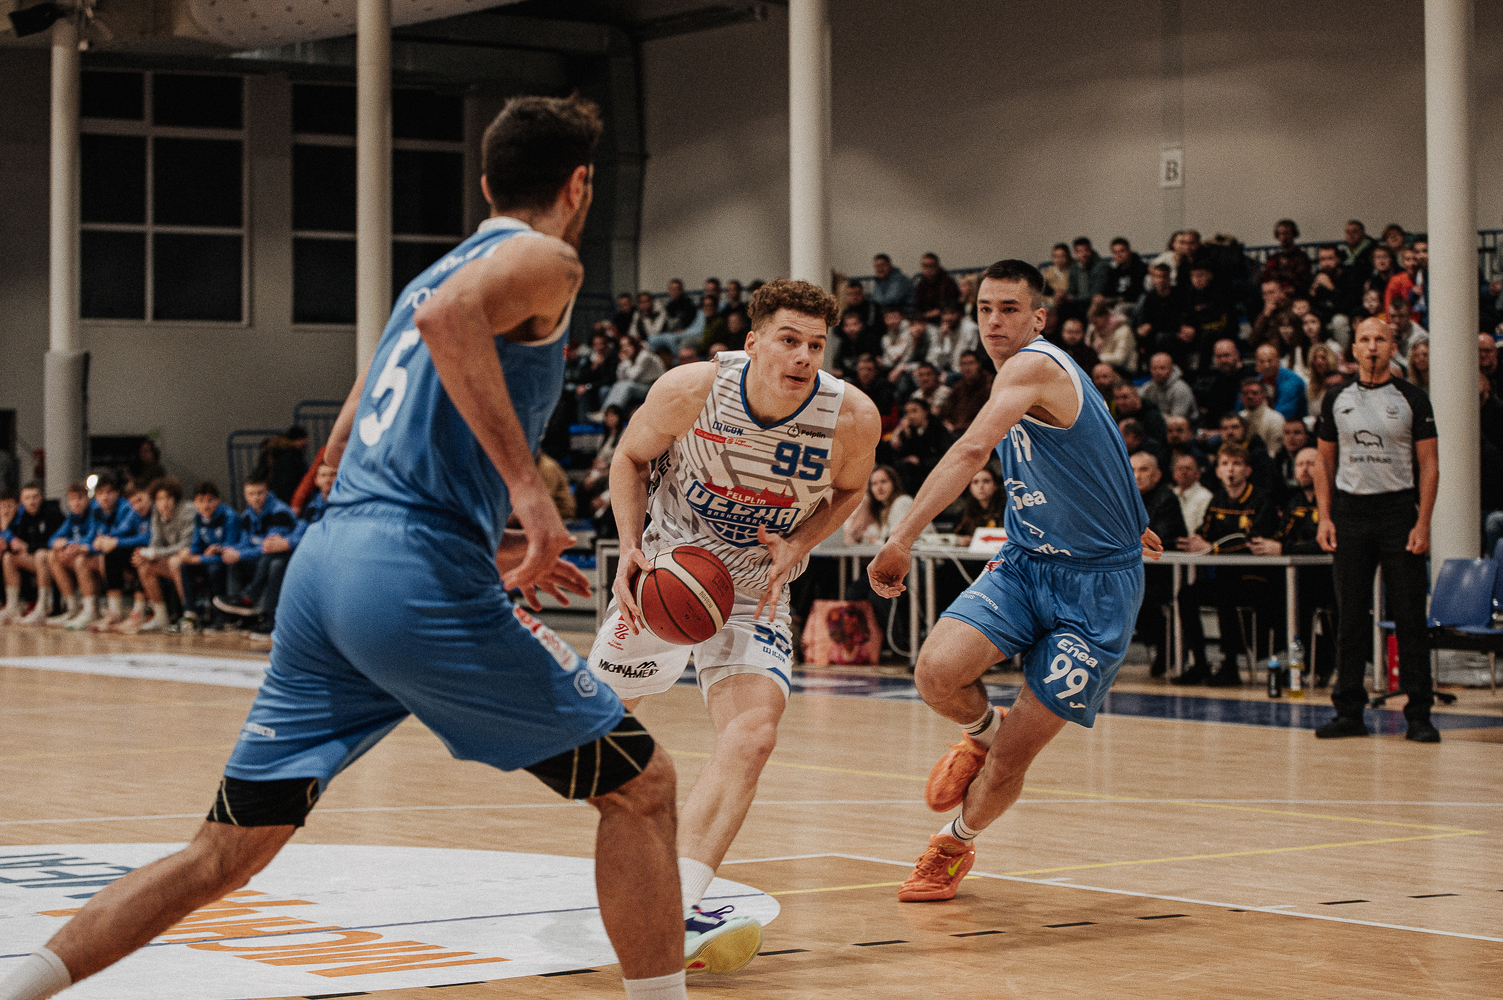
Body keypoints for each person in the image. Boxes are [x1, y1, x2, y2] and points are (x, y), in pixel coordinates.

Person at [0, 96, 700, 1000]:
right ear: (579, 185)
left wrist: (444, 534)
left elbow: (353, 422)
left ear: (485, 182)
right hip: (403, 571)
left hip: (331, 566)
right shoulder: (544, 258)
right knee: (642, 787)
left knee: (224, 851)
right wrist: (528, 497)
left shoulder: (425, 275)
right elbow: (451, 323)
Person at [586, 278, 881, 971]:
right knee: (593, 737)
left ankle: (675, 908)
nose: (802, 356)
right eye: (788, 339)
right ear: (752, 343)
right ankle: (633, 860)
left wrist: (799, 542)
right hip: (668, 572)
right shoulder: (690, 389)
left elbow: (848, 490)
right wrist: (629, 546)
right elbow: (630, 458)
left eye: (815, 345)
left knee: (753, 736)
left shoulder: (850, 417)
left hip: (753, 587)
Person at [863, 259, 1159, 902]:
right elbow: (1100, 442)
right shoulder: (1021, 377)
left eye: (1009, 309)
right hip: (1027, 563)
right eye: (984, 309)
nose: (994, 321)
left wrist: (901, 537)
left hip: (1097, 592)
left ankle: (953, 844)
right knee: (936, 673)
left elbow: (971, 452)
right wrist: (1132, 518)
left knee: (1013, 759)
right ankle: (981, 733)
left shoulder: (1033, 366)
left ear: (1038, 318)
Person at [1314, 317, 1439, 743]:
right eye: (1364, 340)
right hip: (1349, 511)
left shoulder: (1412, 398)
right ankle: (1349, 711)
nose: (1372, 347)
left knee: (1409, 615)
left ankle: (1419, 714)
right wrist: (1325, 516)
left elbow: (1429, 464)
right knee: (1350, 614)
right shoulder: (1336, 397)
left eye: (1380, 340)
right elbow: (1323, 462)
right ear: (1353, 348)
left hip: (1397, 511)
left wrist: (1423, 522)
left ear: (1391, 347)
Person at [1172, 443, 1280, 686]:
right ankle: (1199, 663)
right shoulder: (1217, 499)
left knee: (1225, 594)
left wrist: (1212, 548)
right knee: (1186, 594)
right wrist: (1194, 541)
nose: (1230, 469)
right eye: (1225, 464)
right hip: (1225, 576)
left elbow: (1253, 542)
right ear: (1218, 471)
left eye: (1236, 464)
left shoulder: (1261, 500)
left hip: (1257, 579)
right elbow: (1205, 532)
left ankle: (1230, 665)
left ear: (1248, 470)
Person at [1249, 446, 1337, 684]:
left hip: (1331, 578)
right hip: (1298, 578)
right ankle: (1293, 661)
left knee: (1301, 600)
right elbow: (1281, 536)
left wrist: (1284, 549)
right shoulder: (1293, 501)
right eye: (1299, 464)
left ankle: (1317, 661)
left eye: (1311, 464)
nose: (1304, 469)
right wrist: (1266, 543)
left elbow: (1327, 543)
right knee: (1267, 594)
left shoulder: (1335, 500)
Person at [211, 474, 298, 635]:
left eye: (260, 493)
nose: (256, 497)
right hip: (261, 558)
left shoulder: (280, 512)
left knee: (274, 564)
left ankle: (264, 613)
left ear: (267, 492)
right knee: (234, 562)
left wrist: (240, 554)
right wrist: (226, 549)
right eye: (251, 494)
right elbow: (245, 544)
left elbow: (269, 547)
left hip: (285, 558)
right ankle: (237, 613)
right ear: (245, 495)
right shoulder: (247, 515)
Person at [1132, 451, 1187, 677]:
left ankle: (1168, 648)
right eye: (1132, 470)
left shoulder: (1166, 499)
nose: (1137, 475)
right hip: (1139, 570)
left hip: (1166, 572)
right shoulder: (1125, 498)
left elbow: (1158, 539)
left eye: (1143, 470)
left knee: (1139, 595)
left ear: (1157, 475)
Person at [123, 476, 195, 633]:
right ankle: (160, 617)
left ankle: (190, 615)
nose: (164, 503)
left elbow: (186, 545)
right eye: (160, 499)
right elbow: (155, 542)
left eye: (168, 498)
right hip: (171, 560)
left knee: (176, 562)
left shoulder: (187, 510)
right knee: (144, 564)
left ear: (175, 497)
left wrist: (155, 553)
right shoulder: (156, 513)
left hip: (193, 561)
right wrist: (146, 554)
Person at [172, 481, 239, 631]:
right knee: (185, 566)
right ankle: (190, 613)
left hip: (228, 562)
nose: (205, 505)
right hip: (209, 560)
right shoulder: (198, 517)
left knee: (215, 569)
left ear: (217, 500)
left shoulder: (229, 517)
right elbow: (197, 545)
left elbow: (230, 551)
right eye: (201, 501)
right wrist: (188, 552)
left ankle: (222, 615)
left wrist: (200, 558)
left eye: (210, 500)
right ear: (195, 503)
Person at [1, 481, 62, 625]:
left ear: (42, 497)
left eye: (35, 497)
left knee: (40, 555)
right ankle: (12, 606)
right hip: (37, 560)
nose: (32, 501)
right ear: (22, 501)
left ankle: (42, 607)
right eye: (27, 498)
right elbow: (17, 544)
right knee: (9, 557)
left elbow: (53, 542)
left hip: (55, 560)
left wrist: (28, 547)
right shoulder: (24, 517)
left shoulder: (52, 513)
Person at [844, 464, 915, 544]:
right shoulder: (882, 510)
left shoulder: (902, 502)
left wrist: (875, 541)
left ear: (894, 483)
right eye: (874, 484)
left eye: (883, 481)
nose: (879, 488)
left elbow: (897, 542)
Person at [1259, 219, 1312, 293]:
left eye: (1287, 233)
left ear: (1293, 235)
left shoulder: (1301, 257)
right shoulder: (1274, 258)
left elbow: (1302, 282)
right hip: (1273, 292)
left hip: (1293, 293)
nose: (1283, 237)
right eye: (1280, 234)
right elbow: (1264, 277)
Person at [1141, 352, 1197, 422]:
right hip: (1158, 423)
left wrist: (1152, 416)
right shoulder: (1149, 387)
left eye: (1162, 368)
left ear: (1171, 369)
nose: (1158, 372)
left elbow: (1177, 420)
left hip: (1187, 426)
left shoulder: (1180, 389)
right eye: (1154, 368)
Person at [1170, 452, 1212, 537]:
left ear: (1198, 474)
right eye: (1180, 468)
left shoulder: (1205, 497)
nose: (1184, 472)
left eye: (1188, 468)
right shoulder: (1170, 494)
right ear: (1174, 474)